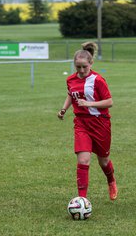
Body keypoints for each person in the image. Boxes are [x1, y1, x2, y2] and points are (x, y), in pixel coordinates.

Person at [57, 42, 118, 201]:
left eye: (84, 66)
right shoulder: (70, 80)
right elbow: (71, 94)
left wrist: (90, 103)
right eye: (78, 67)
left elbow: (109, 101)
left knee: (103, 160)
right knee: (83, 160)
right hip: (81, 123)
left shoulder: (98, 80)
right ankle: (82, 199)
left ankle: (111, 180)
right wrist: (64, 109)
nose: (82, 70)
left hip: (100, 123)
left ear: (91, 63)